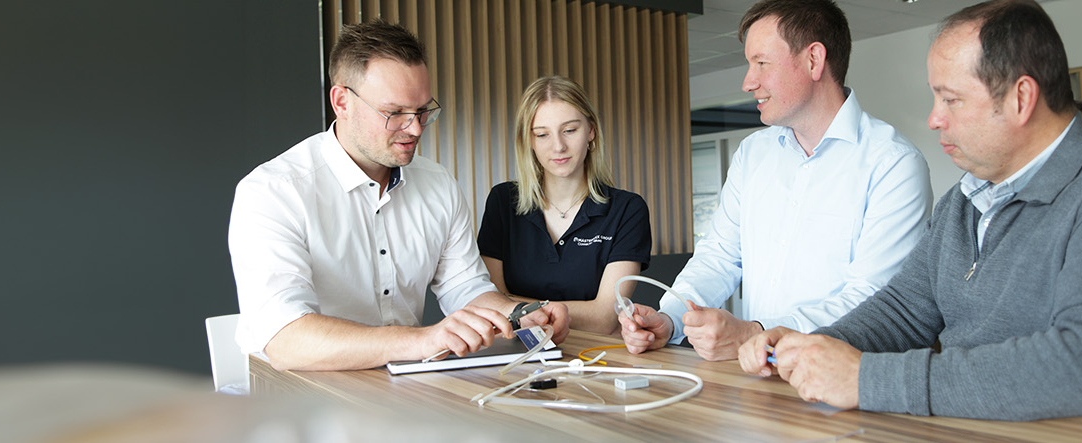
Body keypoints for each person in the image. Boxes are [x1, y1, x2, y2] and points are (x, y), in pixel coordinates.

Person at [738, 0, 1082, 430]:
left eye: (950, 99)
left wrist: (864, 378)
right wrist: (813, 344)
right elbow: (903, 311)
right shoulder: (965, 199)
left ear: (1020, 98)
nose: (934, 118)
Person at [228, 21, 571, 371]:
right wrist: (423, 339)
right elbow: (287, 341)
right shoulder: (274, 191)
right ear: (341, 101)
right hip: (297, 392)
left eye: (423, 110)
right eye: (395, 113)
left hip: (402, 383)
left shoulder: (437, 184)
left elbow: (465, 288)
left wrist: (520, 315)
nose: (416, 128)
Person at [617, 0, 931, 361]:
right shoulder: (753, 154)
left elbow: (873, 299)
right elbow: (719, 256)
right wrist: (671, 319)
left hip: (845, 382)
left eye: (761, 63)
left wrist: (758, 333)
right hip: (758, 376)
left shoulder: (893, 164)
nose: (748, 82)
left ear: (813, 60)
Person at [478, 76, 652, 335]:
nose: (558, 146)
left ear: (591, 131)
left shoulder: (627, 209)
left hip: (596, 357)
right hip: (516, 353)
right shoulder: (503, 202)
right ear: (530, 141)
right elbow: (493, 303)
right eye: (542, 134)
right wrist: (512, 307)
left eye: (570, 130)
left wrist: (518, 308)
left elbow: (605, 317)